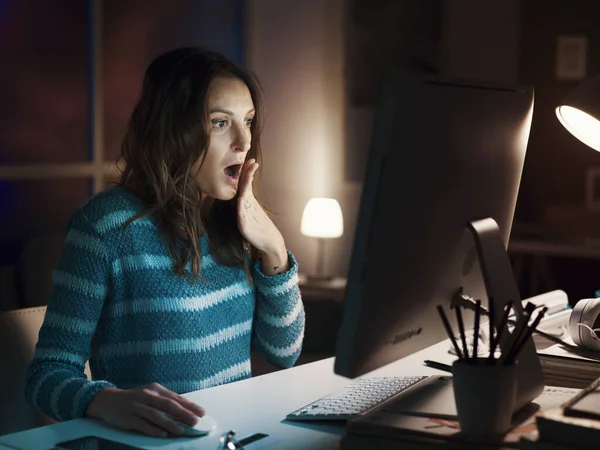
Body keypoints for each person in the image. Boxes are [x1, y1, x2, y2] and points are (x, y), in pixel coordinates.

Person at [25, 47, 305, 438]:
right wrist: (104, 400)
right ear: (174, 130)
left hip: (234, 440)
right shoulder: (104, 226)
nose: (245, 141)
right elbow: (44, 377)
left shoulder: (237, 225)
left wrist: (274, 250)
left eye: (249, 121)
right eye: (220, 123)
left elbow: (284, 354)